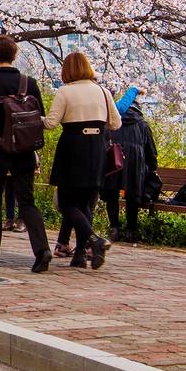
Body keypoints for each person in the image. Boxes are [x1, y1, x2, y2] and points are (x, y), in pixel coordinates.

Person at [0, 35, 51, 271]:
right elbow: (38, 115)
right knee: (27, 201)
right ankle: (42, 250)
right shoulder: (28, 82)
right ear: (14, 56)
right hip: (23, 150)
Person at [43, 51, 120, 270]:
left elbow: (50, 123)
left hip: (72, 146)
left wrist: (31, 118)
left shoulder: (65, 92)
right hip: (96, 149)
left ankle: (95, 240)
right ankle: (79, 255)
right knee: (85, 202)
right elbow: (116, 124)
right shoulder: (103, 92)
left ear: (67, 70)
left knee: (67, 203)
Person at [102, 85, 157, 243]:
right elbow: (150, 151)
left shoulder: (112, 123)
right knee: (132, 195)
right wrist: (152, 167)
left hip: (114, 163)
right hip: (134, 167)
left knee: (112, 194)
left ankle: (114, 228)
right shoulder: (142, 125)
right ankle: (131, 231)